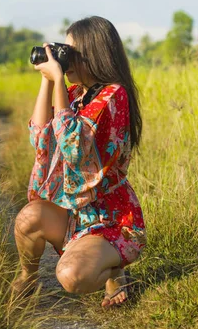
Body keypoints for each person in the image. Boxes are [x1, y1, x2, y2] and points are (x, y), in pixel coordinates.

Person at [12, 16, 146, 308]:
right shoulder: (75, 94)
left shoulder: (114, 95)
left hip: (110, 222)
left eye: (72, 52)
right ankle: (27, 277)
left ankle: (115, 271)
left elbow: (73, 148)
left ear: (92, 53)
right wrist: (48, 82)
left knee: (71, 277)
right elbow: (40, 137)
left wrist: (59, 78)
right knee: (27, 218)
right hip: (73, 214)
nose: (66, 59)